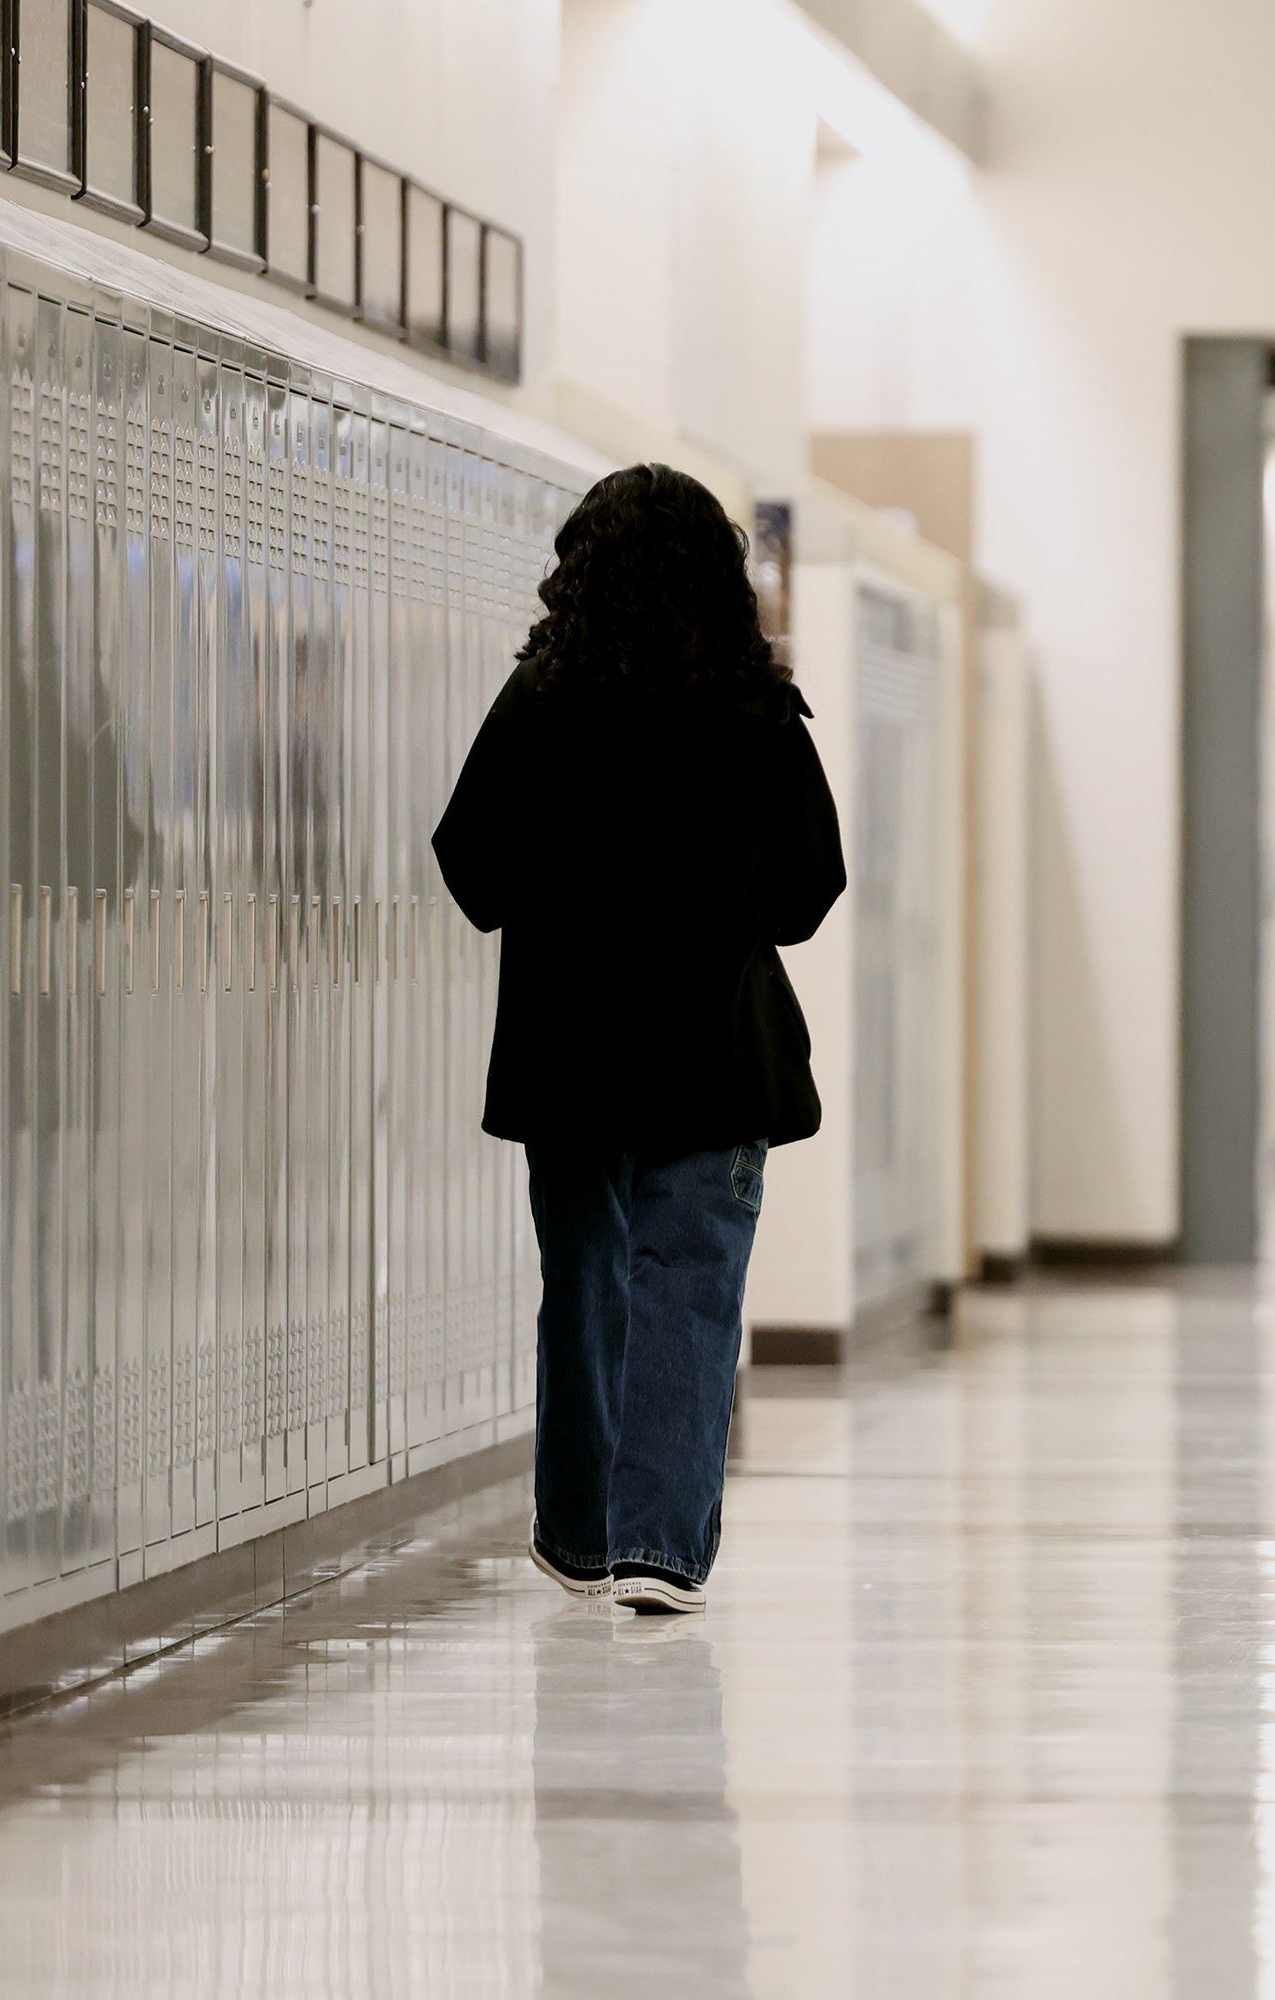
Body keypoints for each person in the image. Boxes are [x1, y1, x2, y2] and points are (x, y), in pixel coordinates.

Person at [434, 464, 845, 1617]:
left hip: (571, 1058)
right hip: (715, 1055)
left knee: (585, 1290)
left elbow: (471, 866)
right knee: (691, 1292)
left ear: (581, 569)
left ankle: (577, 1536)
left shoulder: (541, 698)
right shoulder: (756, 710)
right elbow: (813, 884)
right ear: (721, 579)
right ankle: (661, 1547)